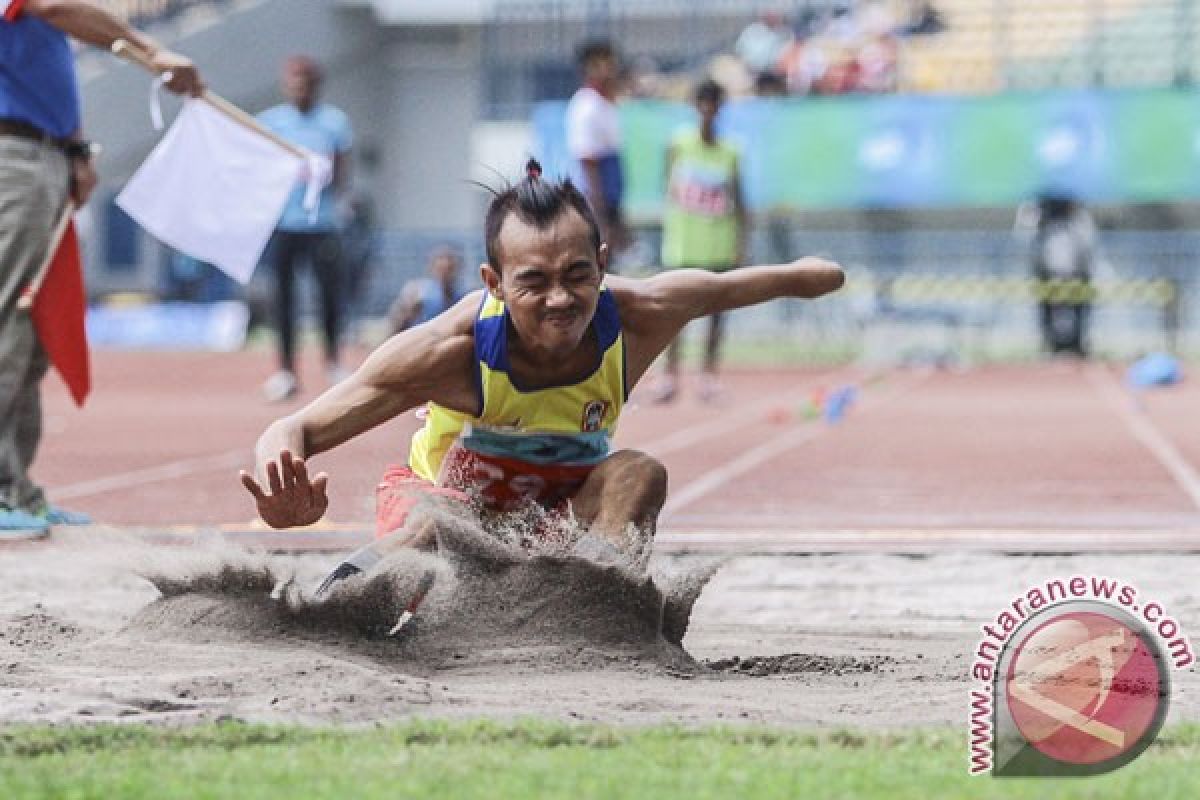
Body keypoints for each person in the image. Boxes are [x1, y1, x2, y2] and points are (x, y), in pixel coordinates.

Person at [240, 159, 844, 613]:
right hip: (436, 516)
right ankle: (333, 610)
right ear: (493, 282)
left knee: (638, 473)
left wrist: (810, 276)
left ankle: (594, 616)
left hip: (550, 522)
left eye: (578, 276)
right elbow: (292, 429)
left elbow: (741, 285)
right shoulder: (450, 353)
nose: (561, 300)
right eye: (534, 282)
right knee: (440, 522)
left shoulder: (639, 315)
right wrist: (279, 492)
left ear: (603, 264)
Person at [0, 0, 203, 537]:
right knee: (8, 322)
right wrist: (151, 50)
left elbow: (48, 57)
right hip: (11, 154)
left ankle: (15, 489)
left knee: (28, 329)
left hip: (38, 151)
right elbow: (53, 6)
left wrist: (75, 149)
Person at [257, 55, 353, 403]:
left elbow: (342, 168)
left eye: (305, 84)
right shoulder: (272, 122)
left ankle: (332, 363)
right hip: (284, 223)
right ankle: (285, 371)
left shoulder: (334, 123)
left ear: (315, 85)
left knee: (328, 295)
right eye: (293, 83)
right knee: (283, 300)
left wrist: (333, 194)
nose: (299, 90)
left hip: (322, 222)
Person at [651, 80, 746, 404]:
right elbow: (668, 186)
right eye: (702, 102)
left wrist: (740, 243)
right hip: (683, 244)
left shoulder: (731, 151)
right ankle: (669, 376)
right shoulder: (678, 144)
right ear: (695, 106)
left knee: (717, 315)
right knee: (674, 313)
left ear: (720, 108)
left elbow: (740, 199)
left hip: (718, 243)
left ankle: (707, 376)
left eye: (713, 103)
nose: (707, 109)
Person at [565, 39, 629, 254]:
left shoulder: (608, 104)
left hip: (610, 195)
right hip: (594, 199)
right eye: (602, 63)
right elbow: (589, 162)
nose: (609, 69)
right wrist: (600, 217)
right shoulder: (586, 106)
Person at [1017, 192, 1096, 357]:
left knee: (1079, 309)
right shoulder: (1038, 217)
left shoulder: (1079, 219)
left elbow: (1088, 242)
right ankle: (1051, 344)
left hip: (1076, 273)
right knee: (1048, 309)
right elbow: (1024, 236)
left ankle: (1077, 344)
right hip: (1048, 273)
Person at [388, 246, 468, 335]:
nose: (445, 275)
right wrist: (409, 313)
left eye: (450, 269)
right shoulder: (417, 291)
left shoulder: (463, 298)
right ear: (432, 268)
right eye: (441, 269)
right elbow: (396, 325)